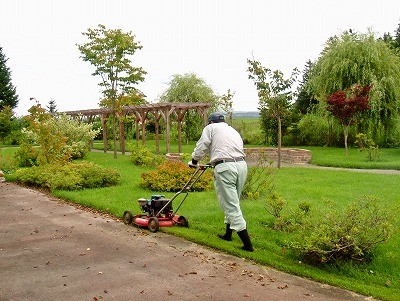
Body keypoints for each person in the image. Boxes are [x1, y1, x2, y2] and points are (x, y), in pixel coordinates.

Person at [189, 112, 253, 252]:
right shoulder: (232, 130)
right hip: (241, 165)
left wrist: (194, 161)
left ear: (211, 122)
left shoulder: (210, 128)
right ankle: (228, 235)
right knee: (233, 201)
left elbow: (202, 146)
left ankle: (248, 245)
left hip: (225, 168)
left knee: (231, 205)